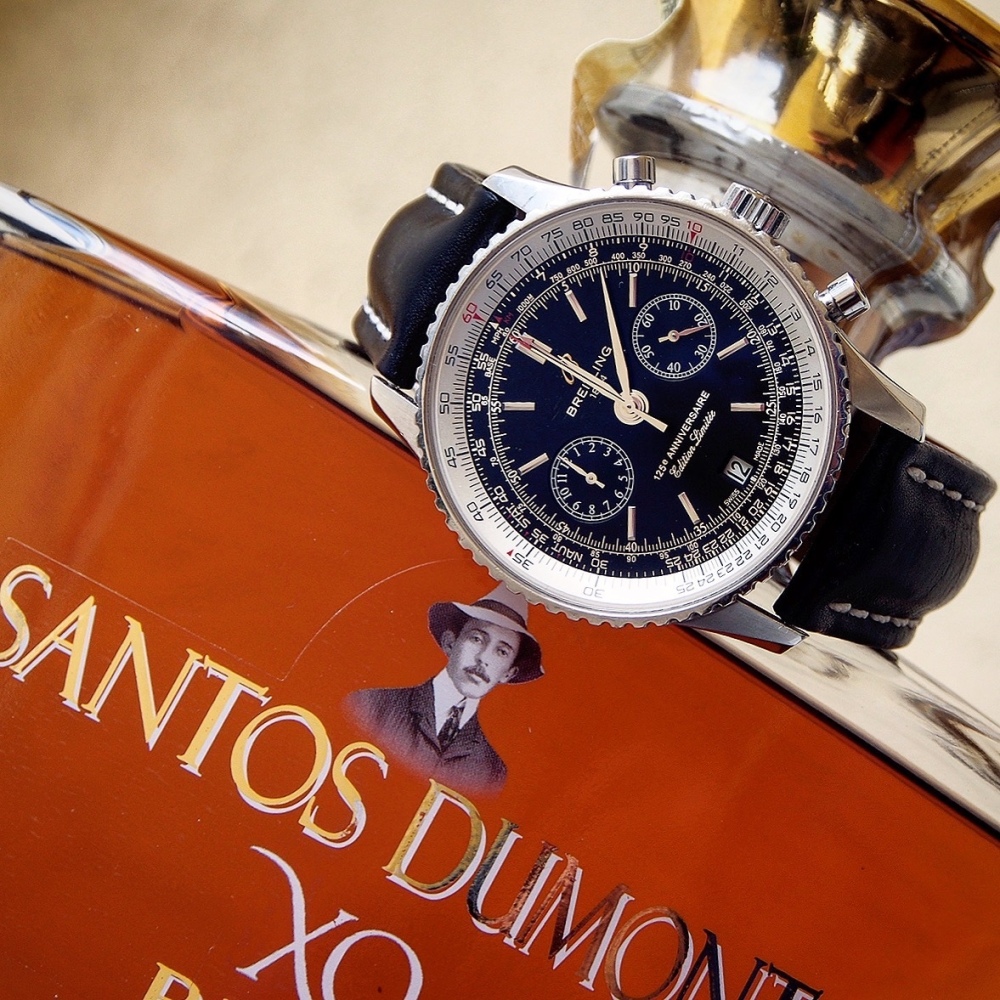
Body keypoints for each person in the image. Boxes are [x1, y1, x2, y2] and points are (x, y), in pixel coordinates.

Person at [344, 583, 543, 795]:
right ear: (450, 642)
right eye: (477, 639)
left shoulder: (491, 773)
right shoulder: (371, 707)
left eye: (502, 652)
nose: (483, 658)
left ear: (508, 673)